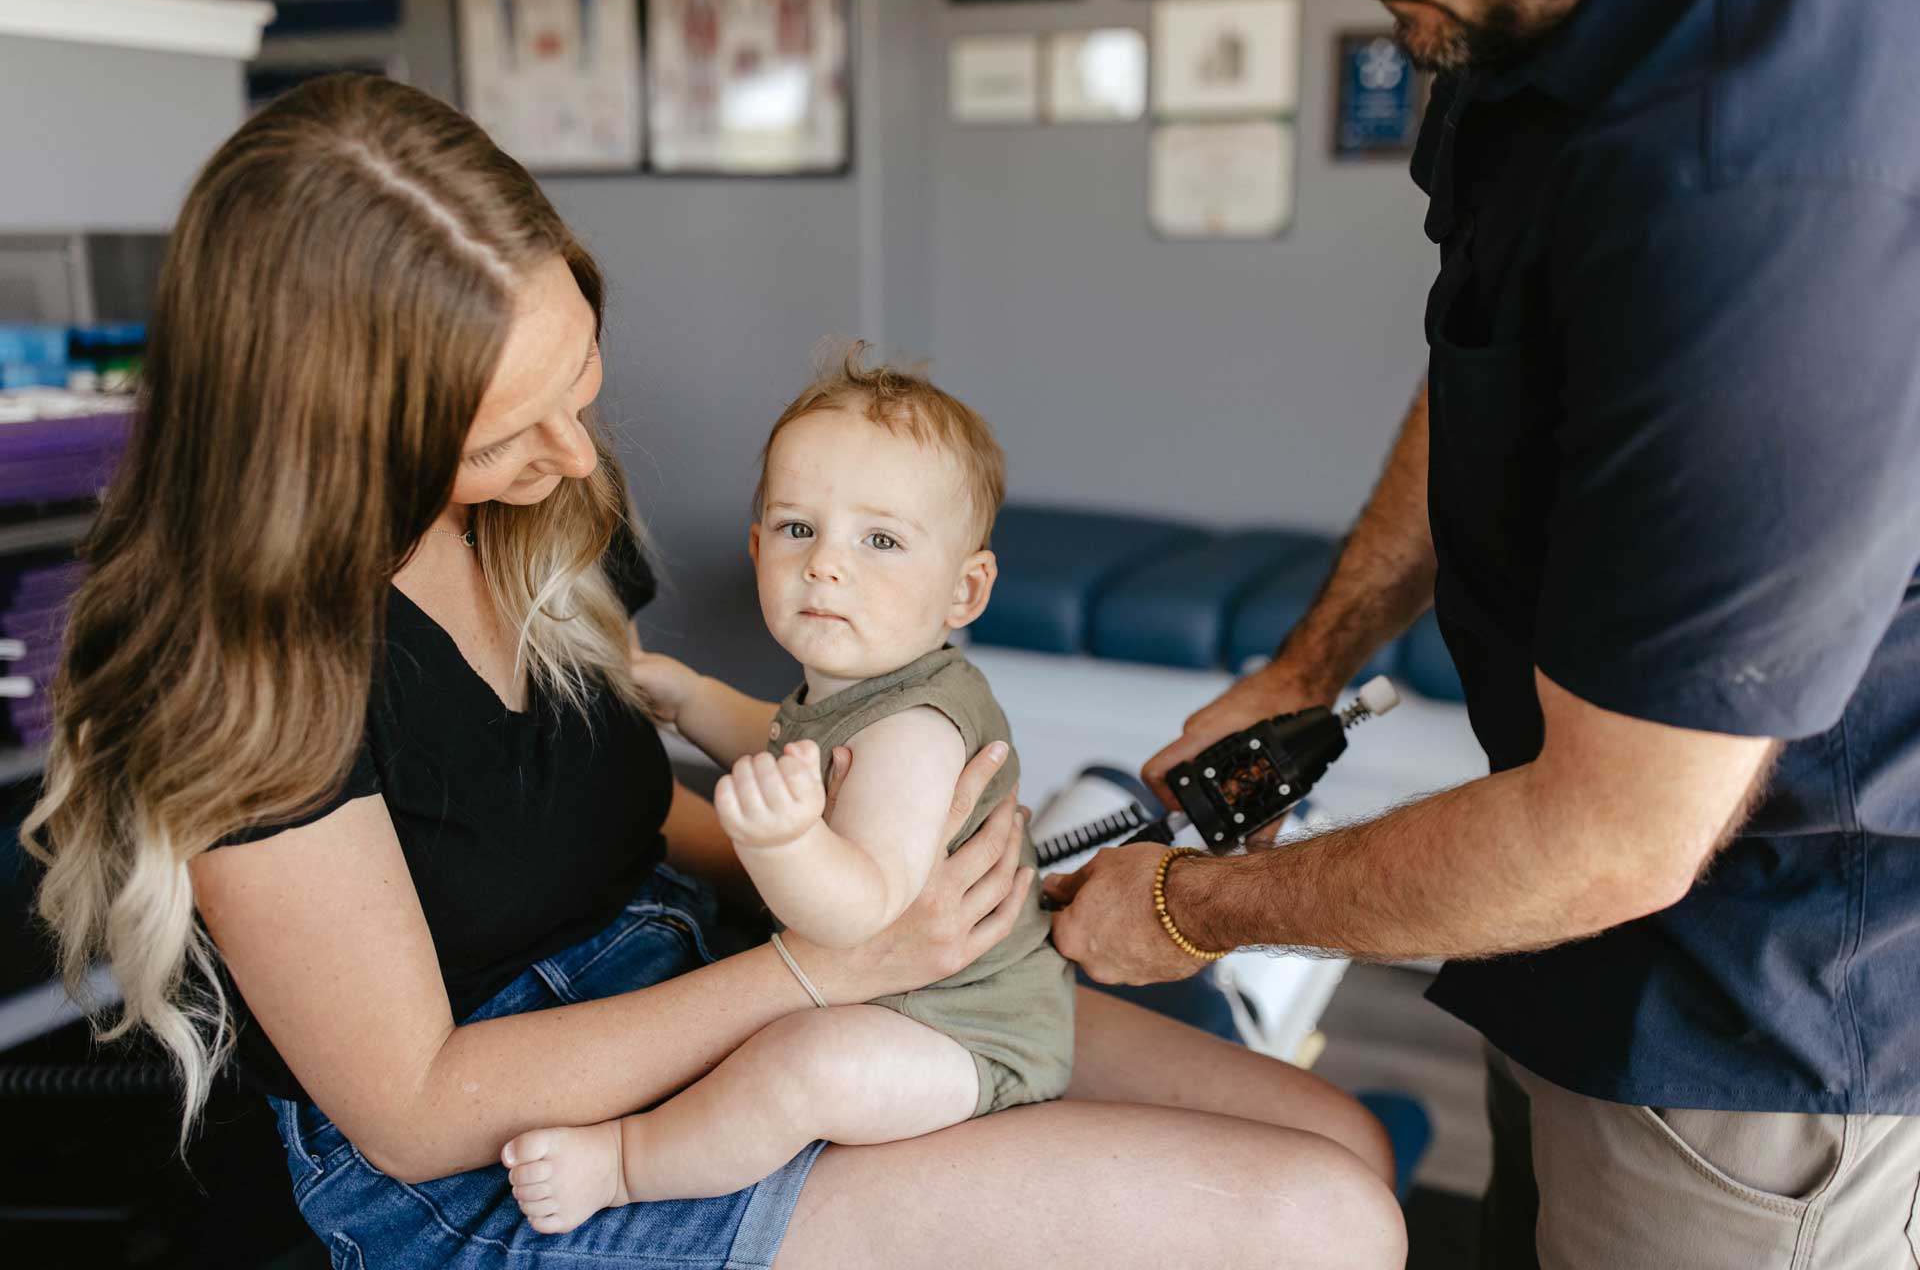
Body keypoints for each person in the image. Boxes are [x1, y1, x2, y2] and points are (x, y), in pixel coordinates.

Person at [23, 75, 1403, 1268]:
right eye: (512, 433)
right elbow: (419, 1104)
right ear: (331, 434)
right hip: (498, 1161)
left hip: (707, 965)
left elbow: (607, 817)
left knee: (1335, 1139)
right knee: (1317, 1227)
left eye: (578, 384)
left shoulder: (528, 514)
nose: (574, 459)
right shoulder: (237, 678)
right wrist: (825, 965)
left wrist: (894, 865)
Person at [1046, 0, 1920, 1267]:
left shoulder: (1772, 184)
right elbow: (1492, 360)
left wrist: (1193, 909)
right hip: (1561, 936)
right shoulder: (1501, 34)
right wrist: (1305, 664)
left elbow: (1614, 837)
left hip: (1753, 1017)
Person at [502, 351, 1077, 1233]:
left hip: (965, 1034)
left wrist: (785, 844)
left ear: (965, 589)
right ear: (757, 545)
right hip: (900, 993)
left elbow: (858, 914)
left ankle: (624, 1164)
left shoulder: (914, 731)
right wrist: (694, 701)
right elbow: (790, 736)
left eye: (879, 540)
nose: (826, 565)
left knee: (802, 1070)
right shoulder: (863, 690)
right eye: (798, 528)